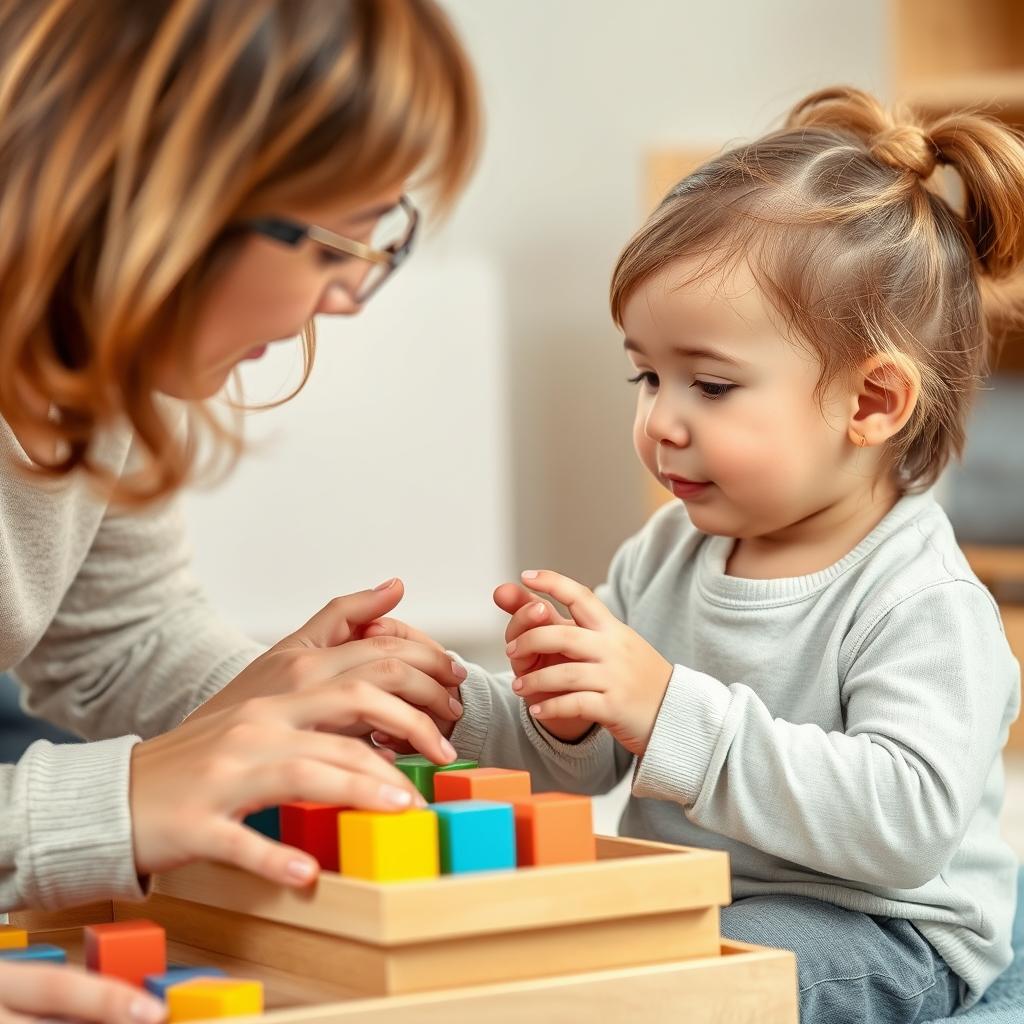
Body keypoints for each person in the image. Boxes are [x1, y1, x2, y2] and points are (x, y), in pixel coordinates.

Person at [370, 87, 1022, 1023]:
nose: (661, 421)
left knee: (693, 988)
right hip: (690, 899)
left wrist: (666, 708)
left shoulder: (921, 598)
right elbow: (586, 767)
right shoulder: (669, 551)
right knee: (536, 958)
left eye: (710, 385)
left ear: (872, 403)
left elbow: (905, 827)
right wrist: (463, 707)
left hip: (878, 924)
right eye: (647, 375)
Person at [0, 2, 478, 1020]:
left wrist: (271, 706)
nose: (346, 296)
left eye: (376, 240)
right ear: (154, 199)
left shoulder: (103, 355)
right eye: (331, 247)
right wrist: (116, 801)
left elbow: (115, 635)